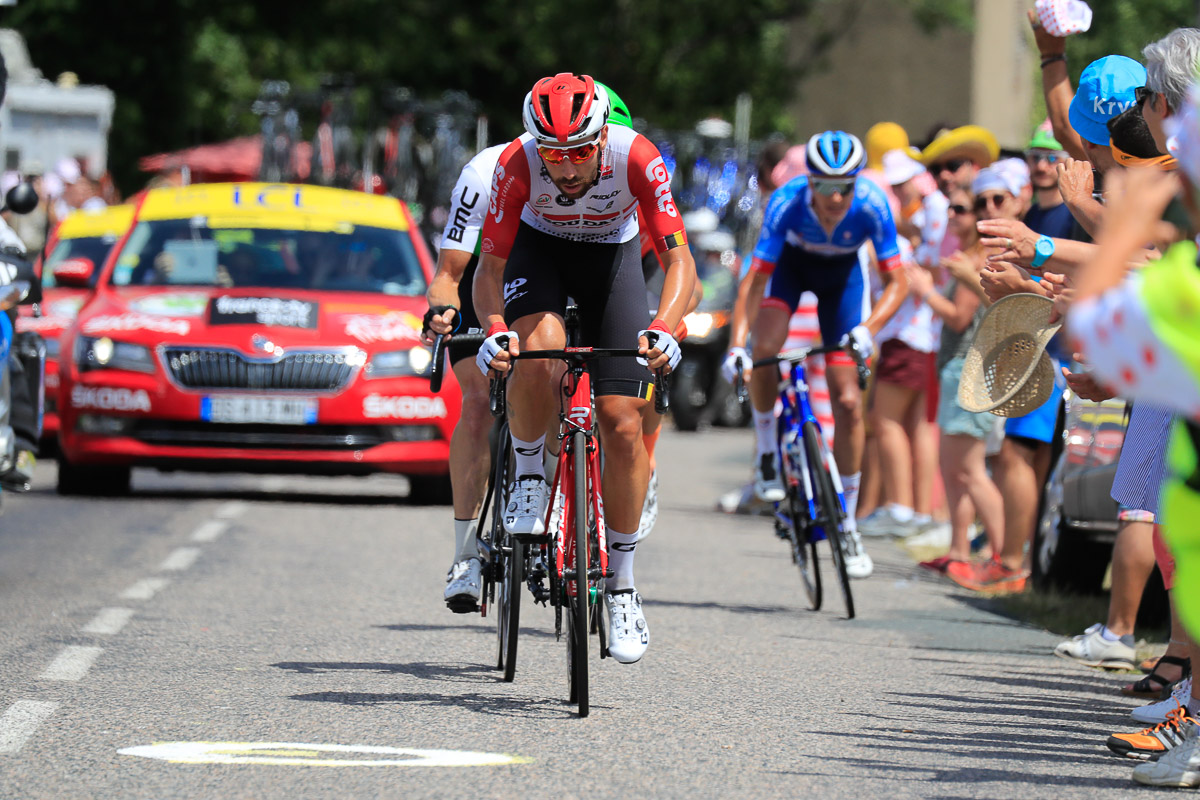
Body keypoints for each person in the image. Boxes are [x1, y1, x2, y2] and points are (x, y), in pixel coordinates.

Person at [474, 73, 696, 664]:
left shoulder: (638, 157)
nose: (567, 170)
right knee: (539, 346)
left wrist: (666, 329)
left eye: (578, 153)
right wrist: (495, 331)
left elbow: (683, 268)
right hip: (538, 252)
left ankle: (621, 584)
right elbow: (488, 273)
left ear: (604, 139)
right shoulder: (517, 165)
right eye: (554, 156)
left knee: (623, 418)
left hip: (612, 260)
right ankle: (528, 473)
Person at [722, 131, 911, 579]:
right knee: (767, 349)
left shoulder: (871, 203)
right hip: (791, 269)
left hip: (842, 283)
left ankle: (845, 522)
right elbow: (753, 282)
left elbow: (899, 280)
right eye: (826, 186)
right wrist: (737, 345)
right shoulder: (786, 202)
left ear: (857, 182)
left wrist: (869, 330)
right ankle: (768, 448)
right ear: (809, 183)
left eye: (845, 186)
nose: (837, 197)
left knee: (848, 401)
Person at [421, 140, 507, 612]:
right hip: (482, 277)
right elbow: (449, 274)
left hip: (554, 275)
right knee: (476, 402)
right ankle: (465, 554)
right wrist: (442, 308)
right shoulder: (482, 174)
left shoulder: (602, 170)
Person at [904, 184, 1005, 578]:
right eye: (955, 208)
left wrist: (926, 292)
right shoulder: (969, 255)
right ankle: (960, 551)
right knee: (955, 470)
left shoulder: (978, 259)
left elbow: (959, 317)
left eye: (964, 209)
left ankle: (1004, 559)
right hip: (958, 369)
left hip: (970, 370)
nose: (955, 215)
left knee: (971, 471)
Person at [857, 149, 946, 537]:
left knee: (885, 420)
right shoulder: (921, 220)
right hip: (922, 338)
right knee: (917, 426)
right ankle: (918, 511)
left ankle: (901, 507)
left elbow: (907, 277)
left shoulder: (925, 216)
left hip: (905, 337)